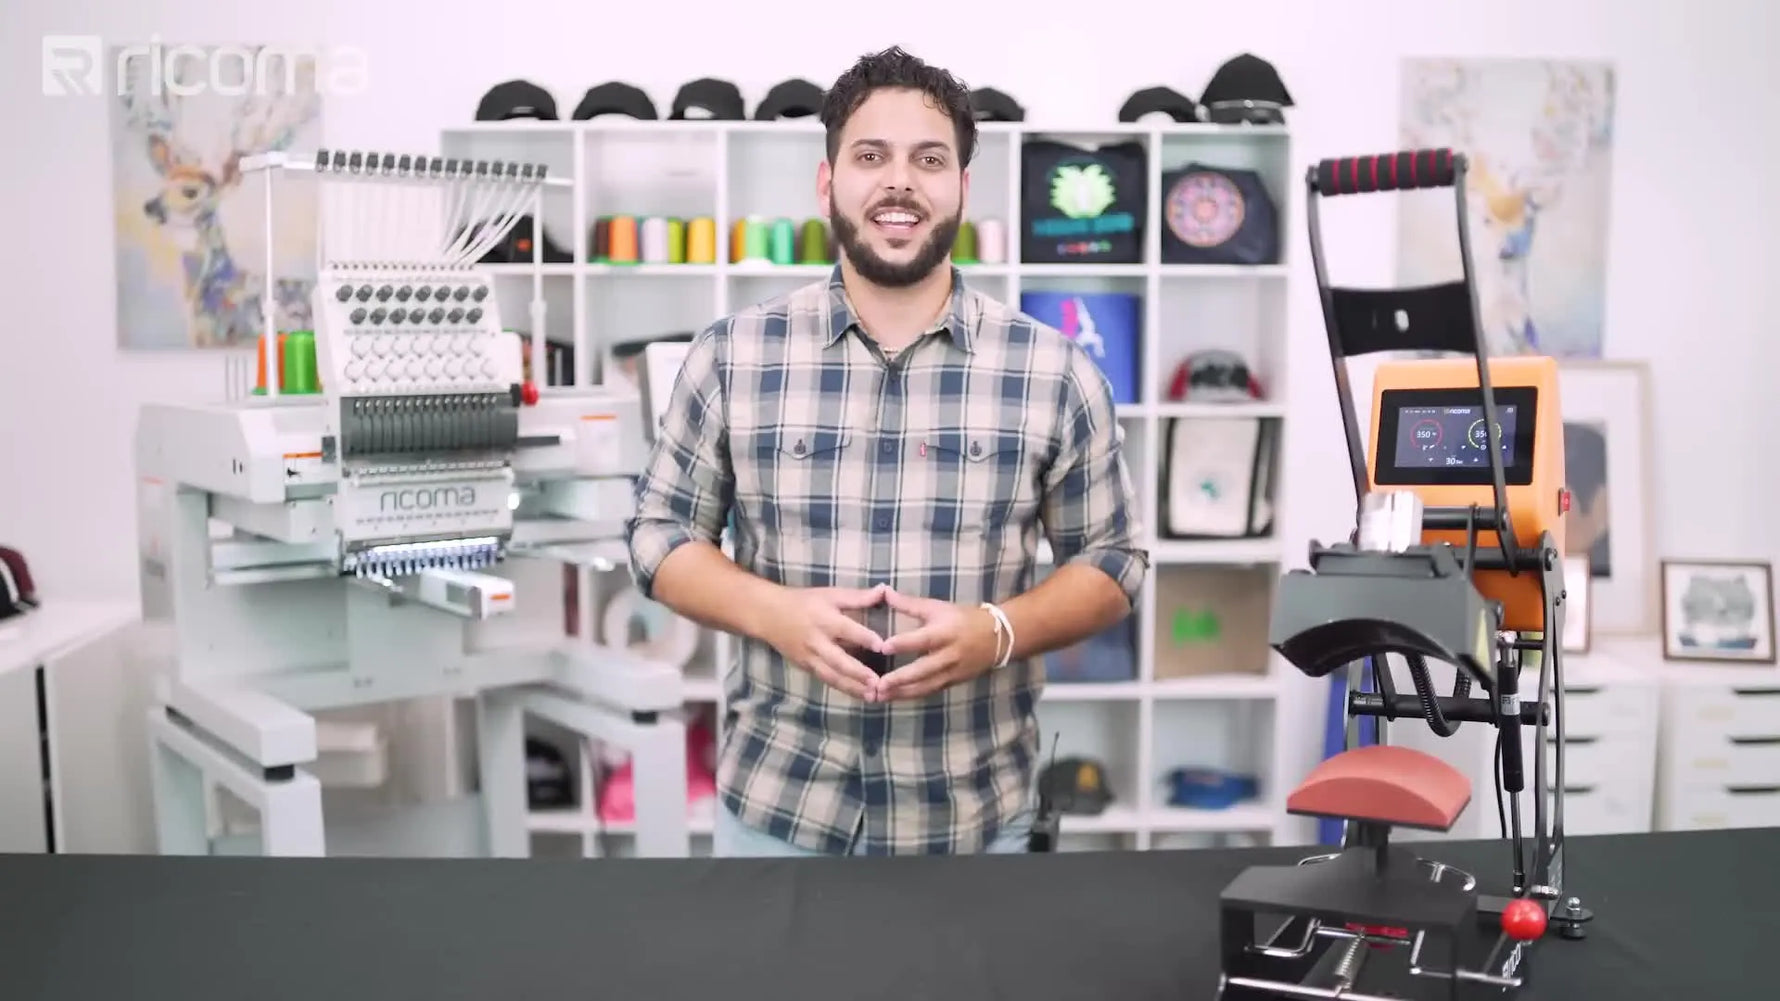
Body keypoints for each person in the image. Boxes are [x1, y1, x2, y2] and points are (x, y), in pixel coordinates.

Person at [624, 46, 1148, 857]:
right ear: (827, 182)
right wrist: (775, 613)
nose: (899, 181)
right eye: (871, 156)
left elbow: (1114, 563)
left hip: (975, 820)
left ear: (964, 190)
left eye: (929, 160)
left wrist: (997, 631)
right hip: (777, 811)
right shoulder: (732, 355)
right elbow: (658, 536)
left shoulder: (1055, 371)